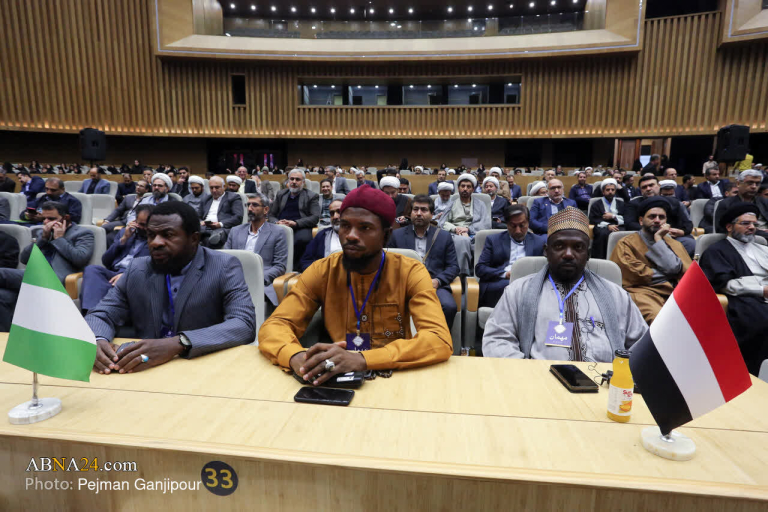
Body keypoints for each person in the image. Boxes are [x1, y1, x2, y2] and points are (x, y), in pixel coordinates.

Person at [258, 185, 452, 382]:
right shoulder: (322, 270)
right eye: (345, 226)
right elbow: (275, 325)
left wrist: (363, 359)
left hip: (396, 374)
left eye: (364, 228)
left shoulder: (410, 271)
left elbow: (438, 339)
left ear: (386, 235)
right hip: (336, 375)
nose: (350, 235)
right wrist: (295, 356)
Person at [86, 202, 256, 374]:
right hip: (144, 369)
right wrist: (98, 340)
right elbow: (101, 314)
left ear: (194, 239)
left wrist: (180, 342)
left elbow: (243, 323)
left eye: (168, 235)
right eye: (151, 235)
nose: (156, 243)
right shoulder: (137, 268)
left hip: (201, 368)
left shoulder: (223, 267)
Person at [482, 207, 646, 361]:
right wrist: (528, 374)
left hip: (607, 380)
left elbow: (642, 346)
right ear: (546, 251)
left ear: (588, 254)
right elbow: (497, 339)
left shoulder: (616, 295)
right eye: (559, 246)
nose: (568, 254)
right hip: (538, 379)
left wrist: (621, 374)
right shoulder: (518, 291)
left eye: (578, 247)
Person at [0, 202, 95, 331]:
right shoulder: (43, 232)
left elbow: (80, 258)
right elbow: (24, 259)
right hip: (34, 276)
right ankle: (6, 336)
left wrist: (59, 239)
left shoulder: (83, 233)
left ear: (66, 218)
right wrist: (43, 239)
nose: (46, 222)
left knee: (1, 273)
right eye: (44, 218)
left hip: (56, 279)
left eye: (51, 218)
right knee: (3, 296)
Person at [699, 204, 768, 375]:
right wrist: (761, 290)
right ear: (729, 227)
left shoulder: (763, 248)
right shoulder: (716, 251)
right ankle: (754, 373)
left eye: (754, 224)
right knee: (762, 321)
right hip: (744, 298)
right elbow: (724, 284)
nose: (751, 227)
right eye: (745, 223)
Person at [610, 197, 692, 324]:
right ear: (641, 221)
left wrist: (658, 238)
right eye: (652, 217)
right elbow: (636, 274)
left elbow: (681, 271)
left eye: (661, 217)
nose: (657, 220)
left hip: (676, 292)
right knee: (660, 320)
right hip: (643, 292)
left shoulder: (675, 244)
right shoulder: (626, 243)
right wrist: (670, 276)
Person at [389, 195, 460, 328]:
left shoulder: (443, 236)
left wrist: (438, 281)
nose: (419, 213)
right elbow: (388, 265)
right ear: (410, 213)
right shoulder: (397, 235)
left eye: (424, 210)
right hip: (404, 284)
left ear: (432, 214)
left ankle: (439, 339)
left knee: (449, 306)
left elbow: (453, 267)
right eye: (415, 209)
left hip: (434, 285)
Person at [80, 205, 153, 312]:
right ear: (135, 221)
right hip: (114, 273)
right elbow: (106, 261)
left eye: (147, 225)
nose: (144, 228)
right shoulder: (125, 233)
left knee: (99, 290)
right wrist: (124, 239)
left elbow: (152, 267)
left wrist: (127, 275)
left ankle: (94, 313)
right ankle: (91, 313)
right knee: (92, 269)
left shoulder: (156, 240)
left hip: (136, 277)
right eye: (140, 224)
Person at [476, 204, 545, 308]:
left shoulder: (539, 242)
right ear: (507, 224)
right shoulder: (493, 240)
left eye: (522, 225)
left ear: (528, 222)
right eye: (513, 226)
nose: (518, 231)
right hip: (500, 284)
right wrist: (505, 274)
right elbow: (480, 269)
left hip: (528, 284)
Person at [224, 192, 288, 306]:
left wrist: (257, 277)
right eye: (248, 205)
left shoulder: (278, 232)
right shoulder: (235, 231)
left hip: (260, 282)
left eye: (254, 205)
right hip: (233, 279)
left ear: (266, 210)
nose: (250, 208)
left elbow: (279, 266)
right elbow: (224, 259)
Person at [624, 175, 695, 256]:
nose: (648, 189)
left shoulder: (674, 203)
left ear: (659, 186)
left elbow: (688, 223)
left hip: (672, 238)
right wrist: (655, 230)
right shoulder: (633, 204)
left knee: (690, 243)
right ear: (640, 190)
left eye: (651, 185)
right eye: (644, 187)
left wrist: (682, 232)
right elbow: (629, 224)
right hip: (646, 239)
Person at [269, 169, 320, 268]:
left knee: (301, 240)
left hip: (300, 226)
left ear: (303, 182)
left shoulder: (312, 196)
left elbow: (315, 217)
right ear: (288, 181)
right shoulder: (281, 194)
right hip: (280, 226)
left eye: (297, 179)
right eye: (291, 179)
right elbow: (271, 215)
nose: (294, 182)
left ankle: (295, 268)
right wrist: (276, 222)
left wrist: (295, 223)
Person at [714, 170, 768, 240]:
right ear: (738, 183)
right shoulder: (726, 204)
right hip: (741, 240)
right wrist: (760, 232)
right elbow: (721, 230)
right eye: (750, 183)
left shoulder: (765, 202)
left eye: (757, 184)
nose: (754, 186)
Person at [198, 176, 243, 249]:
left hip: (222, 228)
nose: (214, 190)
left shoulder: (233, 198)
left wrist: (220, 224)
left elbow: (238, 217)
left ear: (224, 187)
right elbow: (197, 216)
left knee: (215, 237)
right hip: (204, 227)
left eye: (217, 187)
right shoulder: (206, 199)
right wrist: (200, 222)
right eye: (211, 188)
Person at [299, 199, 343, 271]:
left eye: (339, 212)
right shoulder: (322, 236)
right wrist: (321, 270)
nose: (335, 216)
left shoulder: (358, 236)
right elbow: (305, 262)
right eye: (332, 213)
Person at [440, 174, 490, 238]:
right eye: (463, 186)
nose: (465, 189)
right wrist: (455, 229)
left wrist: (468, 229)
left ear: (473, 189)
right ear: (458, 188)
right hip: (454, 233)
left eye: (468, 187)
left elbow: (486, 223)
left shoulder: (480, 204)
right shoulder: (451, 204)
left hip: (475, 234)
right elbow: (443, 222)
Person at [589, 178, 625, 259]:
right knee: (602, 234)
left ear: (615, 191)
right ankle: (601, 259)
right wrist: (608, 225)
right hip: (602, 226)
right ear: (603, 192)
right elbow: (593, 219)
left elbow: (626, 217)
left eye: (612, 190)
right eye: (608, 190)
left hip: (618, 225)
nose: (610, 192)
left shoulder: (621, 203)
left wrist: (613, 216)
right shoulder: (596, 204)